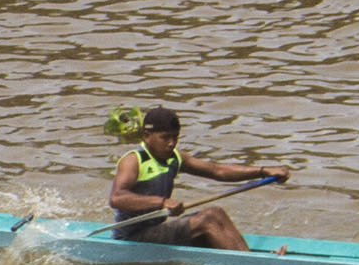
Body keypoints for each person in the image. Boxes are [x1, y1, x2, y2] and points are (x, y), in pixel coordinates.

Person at [108, 105, 276, 251]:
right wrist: (162, 202)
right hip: (131, 238)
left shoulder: (174, 157)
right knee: (208, 219)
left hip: (156, 230)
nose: (171, 143)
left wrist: (262, 171)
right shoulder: (134, 161)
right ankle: (249, 263)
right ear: (146, 135)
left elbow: (217, 171)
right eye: (165, 137)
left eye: (175, 137)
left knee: (217, 213)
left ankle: (246, 257)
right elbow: (117, 198)